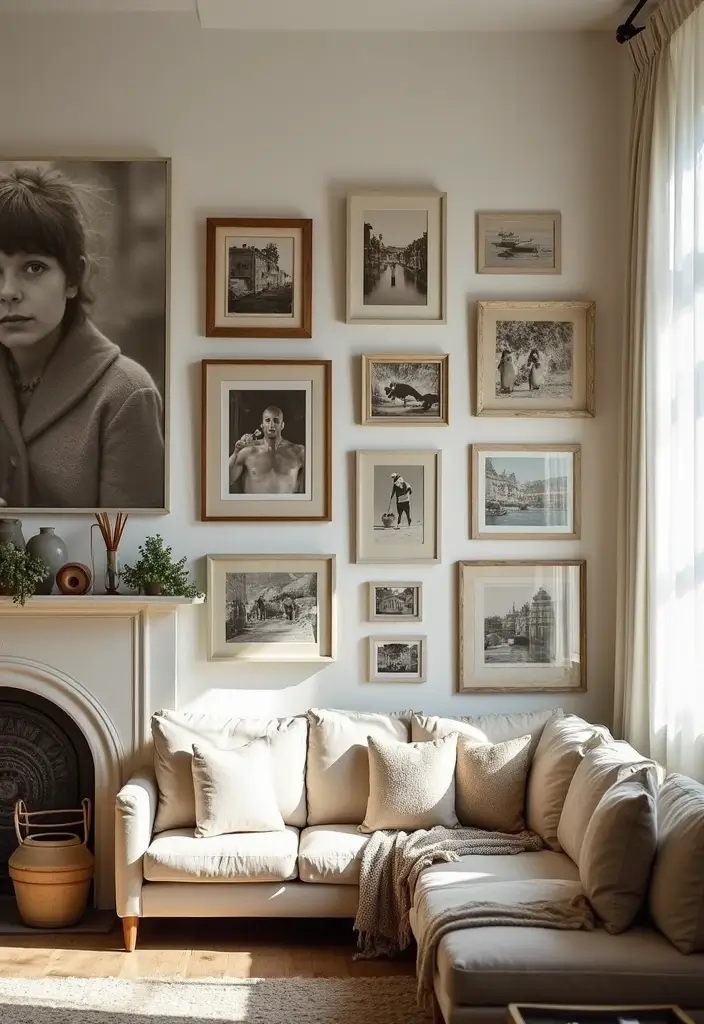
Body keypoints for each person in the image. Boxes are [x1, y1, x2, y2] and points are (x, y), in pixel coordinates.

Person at [0, 165, 165, 509]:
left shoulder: (125, 394)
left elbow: (132, 539)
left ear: (74, 278)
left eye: (34, 267)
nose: (8, 292)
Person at [228, 404, 305, 494]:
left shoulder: (298, 452)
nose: (271, 424)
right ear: (262, 425)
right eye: (267, 420)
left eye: (276, 420)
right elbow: (226, 480)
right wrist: (235, 452)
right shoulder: (248, 451)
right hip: (254, 503)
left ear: (282, 425)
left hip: (286, 503)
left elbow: (312, 488)